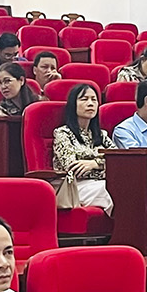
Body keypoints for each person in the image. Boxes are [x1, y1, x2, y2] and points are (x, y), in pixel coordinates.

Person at [52, 83, 115, 212]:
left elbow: (119, 162)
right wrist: (105, 164)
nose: (90, 103)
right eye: (84, 99)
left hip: (100, 183)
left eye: (94, 99)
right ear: (73, 105)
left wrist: (95, 164)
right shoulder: (63, 133)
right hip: (74, 186)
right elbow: (73, 168)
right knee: (115, 190)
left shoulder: (101, 135)